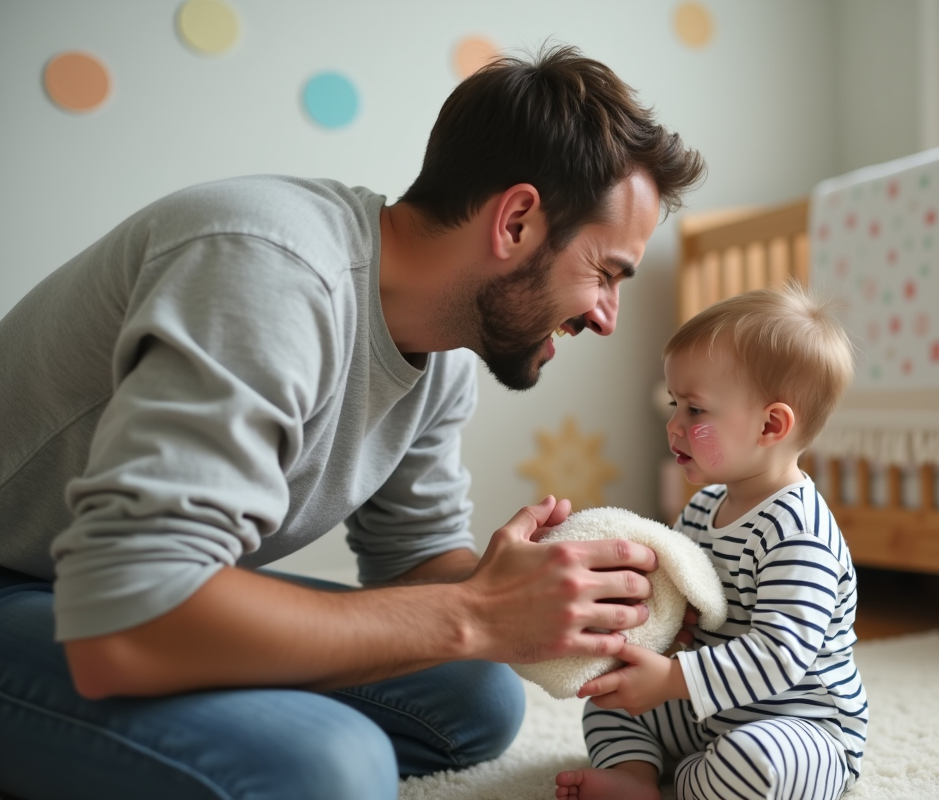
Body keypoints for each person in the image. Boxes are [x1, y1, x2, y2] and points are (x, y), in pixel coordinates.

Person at [0, 45, 705, 800]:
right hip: (52, 585)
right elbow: (130, 608)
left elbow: (414, 561)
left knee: (474, 697)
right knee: (330, 767)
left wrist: (565, 602)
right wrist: (475, 611)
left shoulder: (443, 354)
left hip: (104, 587)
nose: (606, 317)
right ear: (518, 221)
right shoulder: (270, 272)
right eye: (606, 274)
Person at [555, 284, 867, 800]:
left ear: (770, 425)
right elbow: (675, 595)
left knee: (758, 765)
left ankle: (688, 784)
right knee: (608, 704)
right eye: (675, 404)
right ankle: (635, 778)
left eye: (695, 411)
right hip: (706, 709)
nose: (674, 425)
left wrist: (674, 678)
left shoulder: (800, 533)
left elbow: (779, 654)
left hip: (799, 724)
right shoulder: (703, 507)